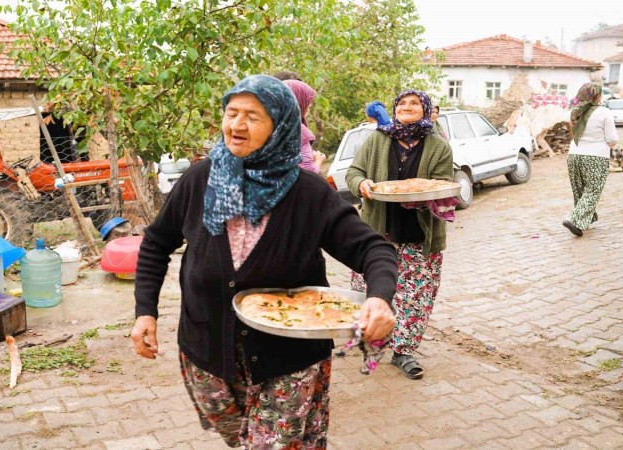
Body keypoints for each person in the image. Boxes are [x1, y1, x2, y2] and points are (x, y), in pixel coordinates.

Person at [131, 75, 397, 449]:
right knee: (237, 437)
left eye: (253, 116)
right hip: (207, 349)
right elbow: (157, 242)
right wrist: (146, 311)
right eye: (231, 112)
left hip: (287, 359)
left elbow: (374, 249)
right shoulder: (199, 179)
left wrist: (379, 296)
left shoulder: (308, 193)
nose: (237, 125)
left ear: (281, 125)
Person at [346, 89, 454, 380]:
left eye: (414, 103)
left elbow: (444, 183)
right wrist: (362, 184)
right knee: (373, 288)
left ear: (425, 109)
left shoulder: (437, 145)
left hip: (420, 233)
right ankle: (372, 336)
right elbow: (353, 172)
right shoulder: (378, 138)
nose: (407, 107)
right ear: (394, 109)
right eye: (402, 103)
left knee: (415, 296)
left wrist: (425, 194)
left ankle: (404, 351)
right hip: (378, 231)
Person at [562, 83, 618, 237]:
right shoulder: (604, 112)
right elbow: (612, 139)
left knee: (579, 190)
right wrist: (610, 143)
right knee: (592, 190)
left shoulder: (574, 112)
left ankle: (587, 218)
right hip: (596, 156)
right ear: (597, 95)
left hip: (574, 155)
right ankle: (574, 220)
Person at [283, 79, 326, 173]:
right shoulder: (297, 131)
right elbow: (308, 171)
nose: (309, 106)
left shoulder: (267, 127)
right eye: (307, 102)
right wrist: (319, 160)